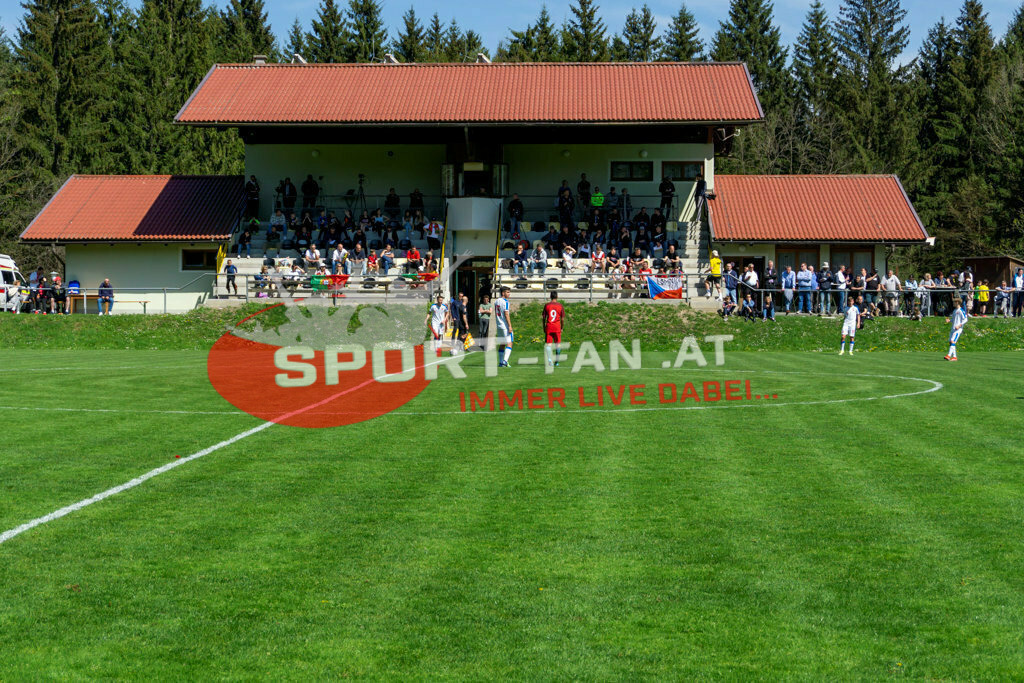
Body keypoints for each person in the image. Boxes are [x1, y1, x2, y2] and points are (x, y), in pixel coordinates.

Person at [543, 290, 565, 367]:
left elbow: (544, 318)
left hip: (549, 326)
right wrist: (562, 327)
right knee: (557, 344)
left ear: (550, 297)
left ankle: (550, 360)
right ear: (557, 296)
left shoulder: (547, 305)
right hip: (557, 327)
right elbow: (562, 319)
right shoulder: (560, 306)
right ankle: (557, 361)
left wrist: (544, 327)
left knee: (548, 344)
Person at [494, 286, 513, 368]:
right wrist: (510, 326)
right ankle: (505, 361)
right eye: (507, 292)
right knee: (509, 343)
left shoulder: (496, 301)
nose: (509, 294)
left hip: (499, 325)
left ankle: (501, 362)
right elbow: (506, 314)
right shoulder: (505, 302)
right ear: (503, 293)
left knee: (502, 343)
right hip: (505, 326)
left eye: (509, 292)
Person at [945, 297, 968, 361]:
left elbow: (965, 319)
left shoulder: (961, 310)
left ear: (957, 302)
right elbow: (954, 319)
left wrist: (959, 325)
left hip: (958, 329)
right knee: (951, 342)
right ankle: (954, 357)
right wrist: (949, 320)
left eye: (954, 302)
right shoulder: (955, 310)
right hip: (953, 328)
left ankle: (949, 355)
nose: (953, 304)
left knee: (953, 341)